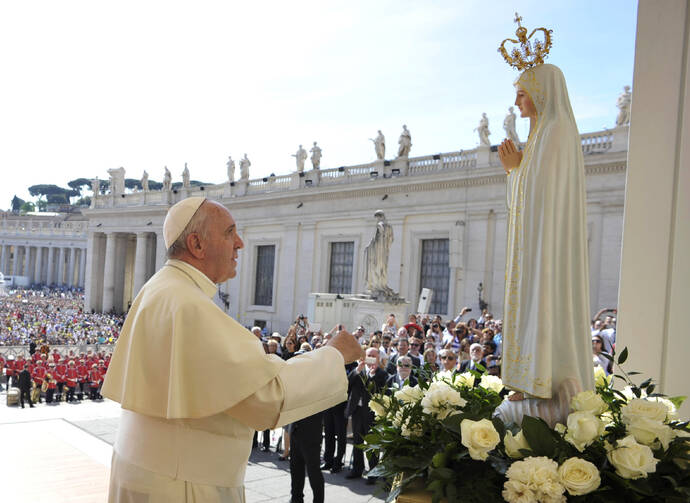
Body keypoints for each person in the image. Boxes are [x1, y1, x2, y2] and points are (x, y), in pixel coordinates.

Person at [102, 196, 363, 502]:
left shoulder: (160, 289)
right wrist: (333, 355)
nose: (239, 243)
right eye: (229, 232)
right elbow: (266, 398)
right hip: (183, 483)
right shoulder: (188, 305)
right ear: (197, 244)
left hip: (151, 470)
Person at [496, 59, 593, 426]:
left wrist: (515, 170)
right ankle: (527, 381)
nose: (518, 101)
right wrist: (516, 170)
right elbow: (528, 190)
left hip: (545, 247)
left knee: (543, 300)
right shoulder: (540, 134)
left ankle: (542, 382)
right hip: (534, 244)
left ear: (542, 93)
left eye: (522, 93)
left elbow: (542, 194)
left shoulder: (556, 131)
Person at [345, 347, 388, 482]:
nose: (369, 357)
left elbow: (380, 390)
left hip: (371, 413)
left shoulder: (381, 373)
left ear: (378, 358)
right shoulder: (359, 370)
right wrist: (358, 369)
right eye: (368, 355)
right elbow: (348, 384)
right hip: (357, 411)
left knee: (371, 443)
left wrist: (373, 374)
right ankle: (357, 469)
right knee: (357, 442)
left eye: (373, 355)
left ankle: (373, 472)